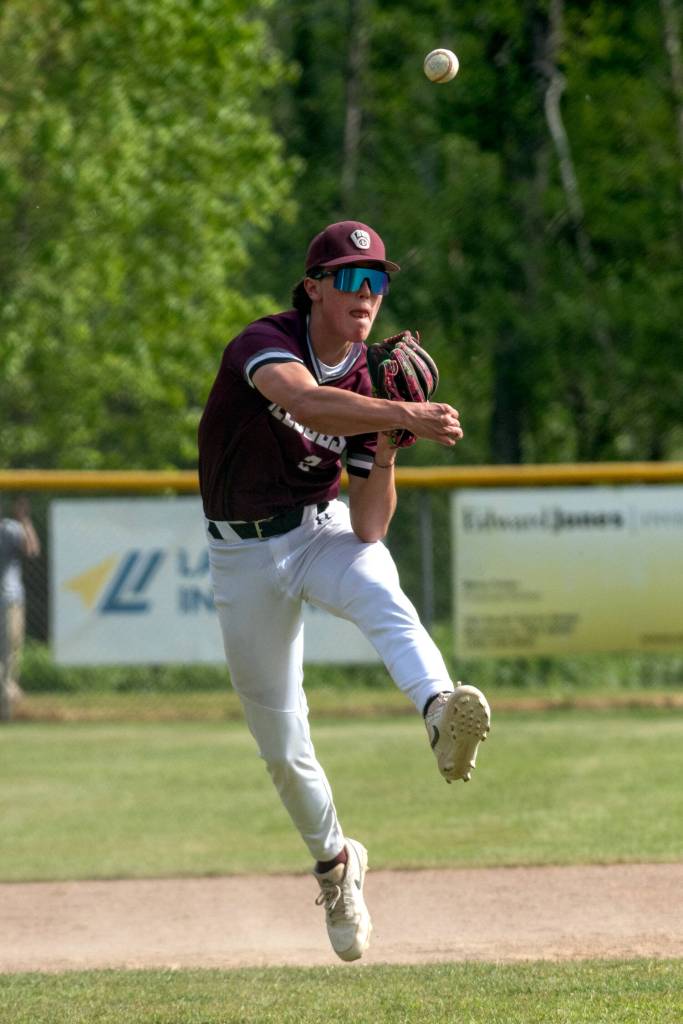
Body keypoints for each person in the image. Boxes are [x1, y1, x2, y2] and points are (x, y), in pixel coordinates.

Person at [198, 220, 491, 962]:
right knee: (282, 745)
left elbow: (366, 525)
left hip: (320, 531)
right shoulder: (266, 342)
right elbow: (306, 404)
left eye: (379, 282)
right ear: (314, 288)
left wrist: (388, 447)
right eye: (352, 280)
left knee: (377, 581)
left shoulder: (372, 383)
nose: (367, 295)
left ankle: (437, 709)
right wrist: (402, 417)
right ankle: (335, 864)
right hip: (242, 556)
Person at [0, 495, 41, 713]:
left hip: (9, 601)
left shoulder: (10, 529)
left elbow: (32, 550)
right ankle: (9, 694)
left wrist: (24, 520)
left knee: (10, 654)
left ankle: (5, 708)